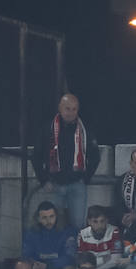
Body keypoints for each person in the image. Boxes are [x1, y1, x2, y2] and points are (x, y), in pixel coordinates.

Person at [32, 93, 99, 227]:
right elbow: (36, 157)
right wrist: (44, 180)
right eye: (67, 109)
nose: (71, 112)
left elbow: (95, 157)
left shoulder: (85, 129)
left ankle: (75, 249)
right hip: (54, 185)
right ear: (60, 108)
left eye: (74, 109)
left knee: (78, 226)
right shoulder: (48, 129)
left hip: (77, 185)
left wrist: (85, 179)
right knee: (50, 225)